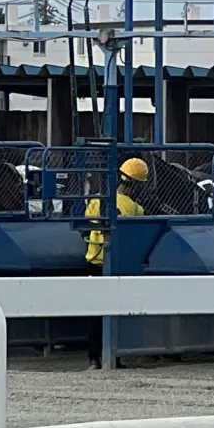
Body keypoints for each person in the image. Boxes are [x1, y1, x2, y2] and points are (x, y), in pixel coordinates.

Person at [83, 155, 150, 363]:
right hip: (119, 264)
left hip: (95, 261)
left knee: (96, 314)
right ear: (137, 186)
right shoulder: (134, 208)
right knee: (117, 313)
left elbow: (85, 227)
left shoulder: (98, 200)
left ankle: (94, 358)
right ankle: (115, 356)